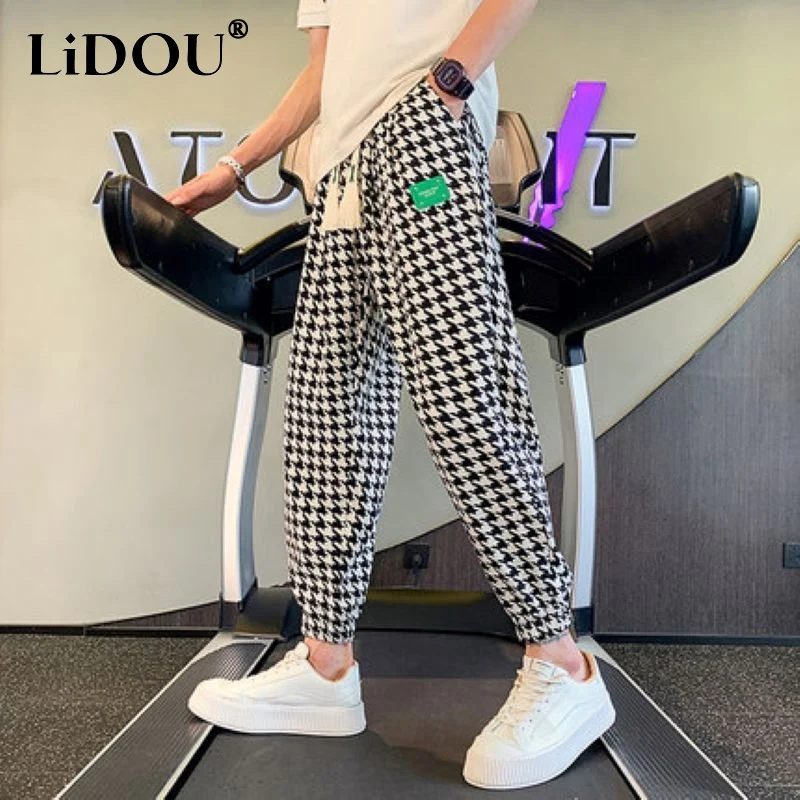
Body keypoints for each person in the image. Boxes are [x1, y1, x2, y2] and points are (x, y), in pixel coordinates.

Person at [166, 0, 615, 790]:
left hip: (422, 137)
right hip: (340, 168)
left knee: (463, 394)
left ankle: (562, 662)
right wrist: (232, 168)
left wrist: (447, 86)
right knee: (326, 418)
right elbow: (324, 71)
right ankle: (326, 667)